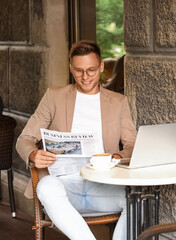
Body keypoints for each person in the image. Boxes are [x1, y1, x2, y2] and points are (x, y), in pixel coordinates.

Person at [16, 40, 137, 240]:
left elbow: (132, 145)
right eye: (79, 70)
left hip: (102, 184)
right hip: (63, 187)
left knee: (137, 200)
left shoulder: (118, 102)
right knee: (45, 187)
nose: (85, 76)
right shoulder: (54, 97)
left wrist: (115, 157)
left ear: (101, 67)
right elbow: (24, 138)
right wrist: (33, 154)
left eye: (91, 70)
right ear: (71, 69)